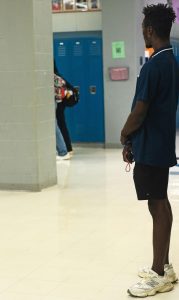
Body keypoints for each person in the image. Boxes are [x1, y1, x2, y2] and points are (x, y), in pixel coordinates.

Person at [120, 4, 179, 298]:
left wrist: (124, 133)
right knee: (161, 202)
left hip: (151, 146)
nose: (142, 31)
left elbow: (139, 111)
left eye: (144, 27)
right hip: (161, 142)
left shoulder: (154, 64)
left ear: (150, 30)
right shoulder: (171, 60)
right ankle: (165, 266)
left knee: (156, 206)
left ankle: (158, 274)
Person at [54, 63, 73, 154]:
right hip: (61, 104)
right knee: (61, 125)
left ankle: (64, 149)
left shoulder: (55, 77)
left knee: (58, 126)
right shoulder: (59, 76)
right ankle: (67, 148)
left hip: (58, 105)